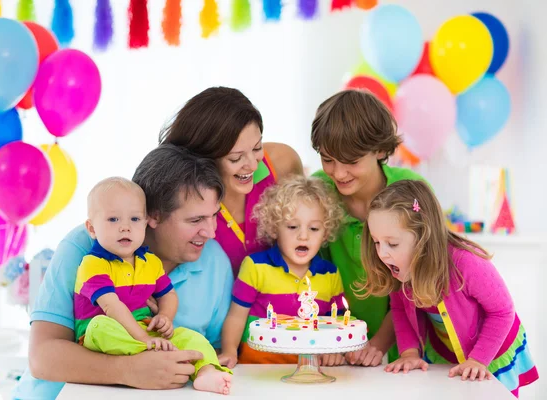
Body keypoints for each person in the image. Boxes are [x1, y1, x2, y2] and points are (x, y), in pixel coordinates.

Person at [13, 145, 234, 399]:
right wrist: (127, 370)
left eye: (214, 216)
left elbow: (214, 351)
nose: (211, 232)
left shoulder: (215, 261)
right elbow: (42, 358)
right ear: (153, 216)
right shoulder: (85, 247)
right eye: (195, 220)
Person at [358, 180, 539, 397]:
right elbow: (399, 309)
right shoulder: (400, 267)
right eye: (377, 242)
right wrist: (409, 353)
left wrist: (478, 360)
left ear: (423, 236)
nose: (382, 253)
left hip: (490, 352)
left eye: (392, 244)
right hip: (449, 352)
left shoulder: (467, 263)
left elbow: (502, 312)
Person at [74, 177, 232, 395]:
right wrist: (145, 340)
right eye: (113, 219)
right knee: (100, 326)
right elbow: (112, 307)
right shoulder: (93, 263)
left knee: (191, 336)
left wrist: (165, 317)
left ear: (146, 222)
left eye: (135, 219)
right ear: (92, 228)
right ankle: (158, 357)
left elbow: (169, 295)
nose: (125, 228)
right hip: (106, 336)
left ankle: (206, 373)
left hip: (143, 332)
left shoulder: (150, 262)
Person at [310, 89, 426, 366]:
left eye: (351, 161)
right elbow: (311, 276)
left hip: (406, 344)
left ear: (381, 150)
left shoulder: (410, 192)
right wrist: (333, 339)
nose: (338, 173)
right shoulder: (317, 191)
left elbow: (418, 280)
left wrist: (378, 343)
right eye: (328, 159)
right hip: (336, 344)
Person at [160, 86, 303, 277]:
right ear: (205, 156)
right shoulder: (181, 200)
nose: (252, 165)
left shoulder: (282, 164)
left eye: (257, 147)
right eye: (236, 158)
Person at [218, 175, 346, 367]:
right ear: (274, 228)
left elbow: (338, 324)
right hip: (257, 371)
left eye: (314, 228)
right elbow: (236, 316)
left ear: (325, 232)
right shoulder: (255, 267)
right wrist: (229, 351)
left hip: (310, 372)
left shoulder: (329, 274)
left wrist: (337, 352)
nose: (303, 236)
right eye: (292, 226)